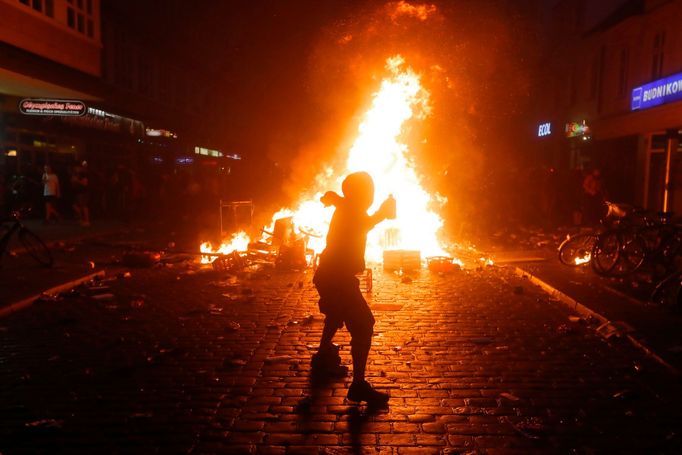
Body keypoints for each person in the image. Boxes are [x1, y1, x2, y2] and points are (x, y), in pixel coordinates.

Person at [311, 171, 394, 406]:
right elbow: (361, 225)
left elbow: (357, 217)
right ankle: (358, 385)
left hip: (330, 275)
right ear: (360, 193)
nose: (371, 195)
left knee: (335, 314)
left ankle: (322, 355)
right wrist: (382, 213)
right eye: (368, 191)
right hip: (337, 277)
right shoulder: (351, 210)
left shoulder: (348, 206)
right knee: (364, 326)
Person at [71, 161, 90, 226]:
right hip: (78, 192)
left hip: (83, 192)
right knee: (75, 205)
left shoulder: (83, 174)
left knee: (84, 206)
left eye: (77, 168)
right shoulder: (76, 174)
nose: (75, 169)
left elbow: (85, 183)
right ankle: (81, 219)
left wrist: (77, 181)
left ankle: (86, 221)